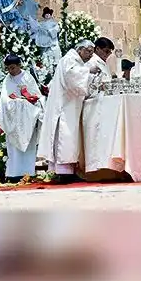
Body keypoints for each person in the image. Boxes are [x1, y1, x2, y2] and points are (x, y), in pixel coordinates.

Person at [36, 40, 100, 184]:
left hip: (70, 105)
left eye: (92, 51)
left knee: (69, 138)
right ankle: (63, 173)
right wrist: (88, 71)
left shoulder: (76, 61)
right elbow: (72, 77)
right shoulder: (70, 59)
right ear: (80, 49)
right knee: (65, 137)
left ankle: (67, 171)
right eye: (88, 51)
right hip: (64, 107)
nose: (90, 55)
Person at [0, 55, 45, 182]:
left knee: (28, 149)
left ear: (19, 65)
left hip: (28, 119)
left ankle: (28, 173)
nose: (11, 71)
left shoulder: (28, 77)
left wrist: (28, 101)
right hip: (14, 119)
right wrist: (17, 102)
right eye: (8, 68)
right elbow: (4, 100)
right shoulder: (7, 80)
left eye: (13, 68)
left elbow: (37, 96)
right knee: (14, 149)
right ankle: (14, 174)